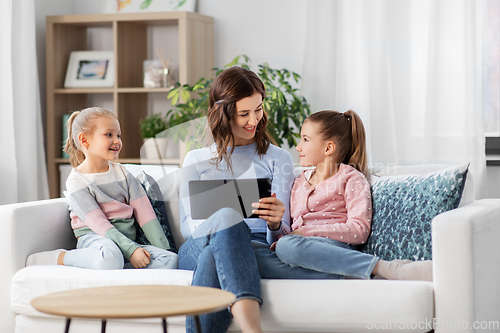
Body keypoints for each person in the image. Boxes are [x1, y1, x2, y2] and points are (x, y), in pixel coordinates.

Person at [178, 66, 297, 333]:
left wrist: (276, 224)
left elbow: (281, 234)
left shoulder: (279, 158)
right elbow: (187, 226)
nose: (254, 120)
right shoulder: (195, 159)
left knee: (214, 255)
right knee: (226, 219)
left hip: (250, 247)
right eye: (244, 113)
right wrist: (221, 226)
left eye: (258, 109)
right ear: (223, 115)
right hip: (196, 247)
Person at [271, 110, 433, 281]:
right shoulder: (297, 181)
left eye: (305, 139)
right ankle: (344, 272)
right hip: (299, 249)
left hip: (332, 246)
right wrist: (275, 225)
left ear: (328, 148)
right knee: (253, 250)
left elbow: (359, 230)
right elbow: (290, 230)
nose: (298, 146)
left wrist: (305, 232)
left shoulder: (351, 177)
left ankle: (382, 267)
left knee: (287, 247)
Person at [26, 107, 178, 270]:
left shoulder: (124, 174)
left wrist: (163, 249)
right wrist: (132, 250)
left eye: (118, 135)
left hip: (126, 244)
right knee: (110, 257)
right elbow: (99, 224)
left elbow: (146, 214)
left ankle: (118, 266)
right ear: (85, 140)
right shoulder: (76, 181)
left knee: (171, 260)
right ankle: (62, 257)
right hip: (96, 238)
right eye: (109, 134)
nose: (117, 141)